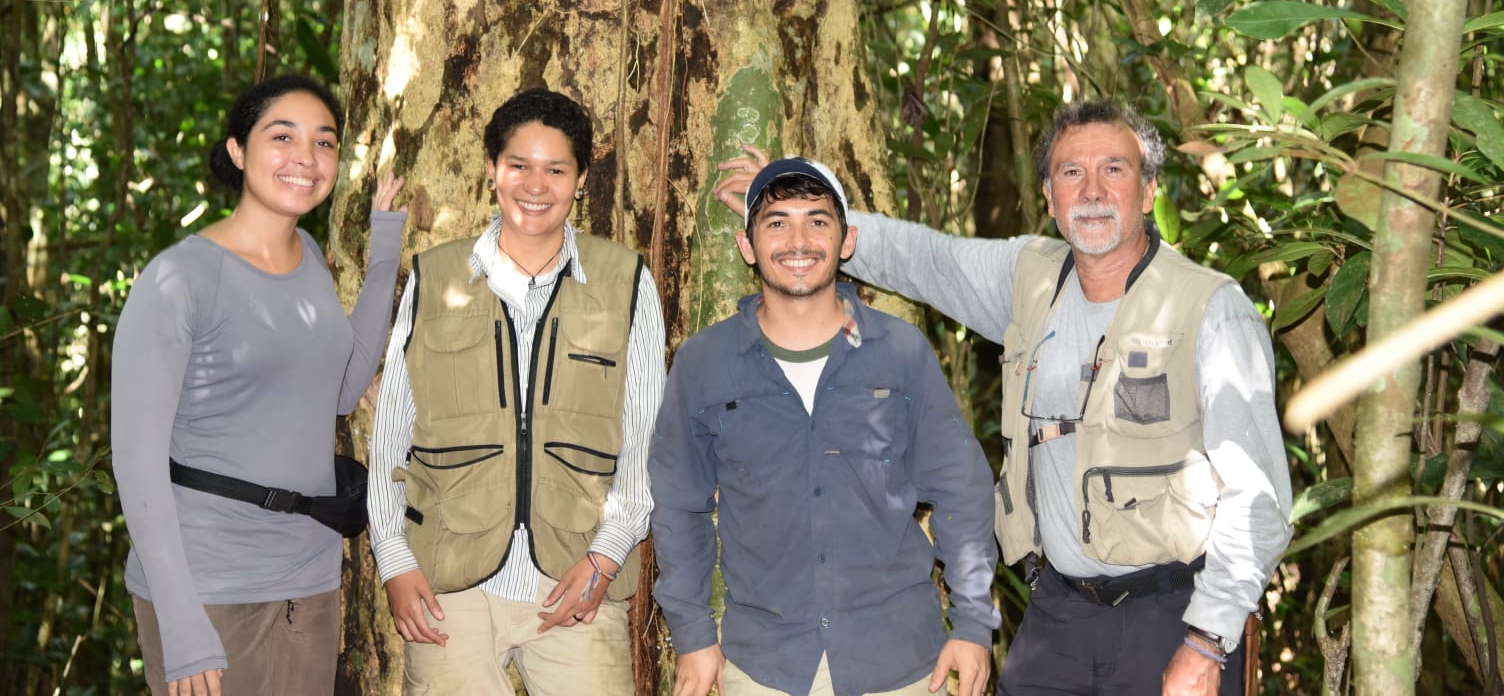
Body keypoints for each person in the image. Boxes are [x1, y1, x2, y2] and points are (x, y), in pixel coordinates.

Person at [715, 103, 1293, 696]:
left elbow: (1260, 497)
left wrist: (1207, 639)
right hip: (1059, 614)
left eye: (1113, 170)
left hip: (1173, 611)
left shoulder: (1210, 307)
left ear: (1147, 191)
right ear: (1049, 196)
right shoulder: (1030, 278)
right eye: (1071, 173)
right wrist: (802, 217)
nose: (1091, 190)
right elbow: (926, 260)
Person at [653, 157, 1000, 696]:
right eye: (776, 222)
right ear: (748, 247)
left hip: (902, 663)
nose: (798, 240)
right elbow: (679, 503)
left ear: (847, 241)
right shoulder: (705, 363)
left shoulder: (901, 353)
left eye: (817, 221)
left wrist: (974, 622)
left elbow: (962, 489)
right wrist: (693, 633)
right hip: (765, 665)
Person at [112, 74, 407, 696]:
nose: (306, 157)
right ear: (239, 151)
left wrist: (385, 253)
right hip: (209, 587)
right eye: (283, 136)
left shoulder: (306, 257)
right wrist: (184, 625)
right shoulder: (178, 279)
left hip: (309, 578)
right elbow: (136, 464)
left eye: (324, 143)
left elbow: (341, 390)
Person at [368, 88, 666, 695]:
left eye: (556, 169)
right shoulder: (436, 276)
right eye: (519, 166)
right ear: (492, 171)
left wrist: (607, 556)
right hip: (449, 582)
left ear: (580, 180)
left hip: (577, 577)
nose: (536, 185)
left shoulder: (625, 282)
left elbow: (646, 439)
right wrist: (394, 561)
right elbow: (391, 433)